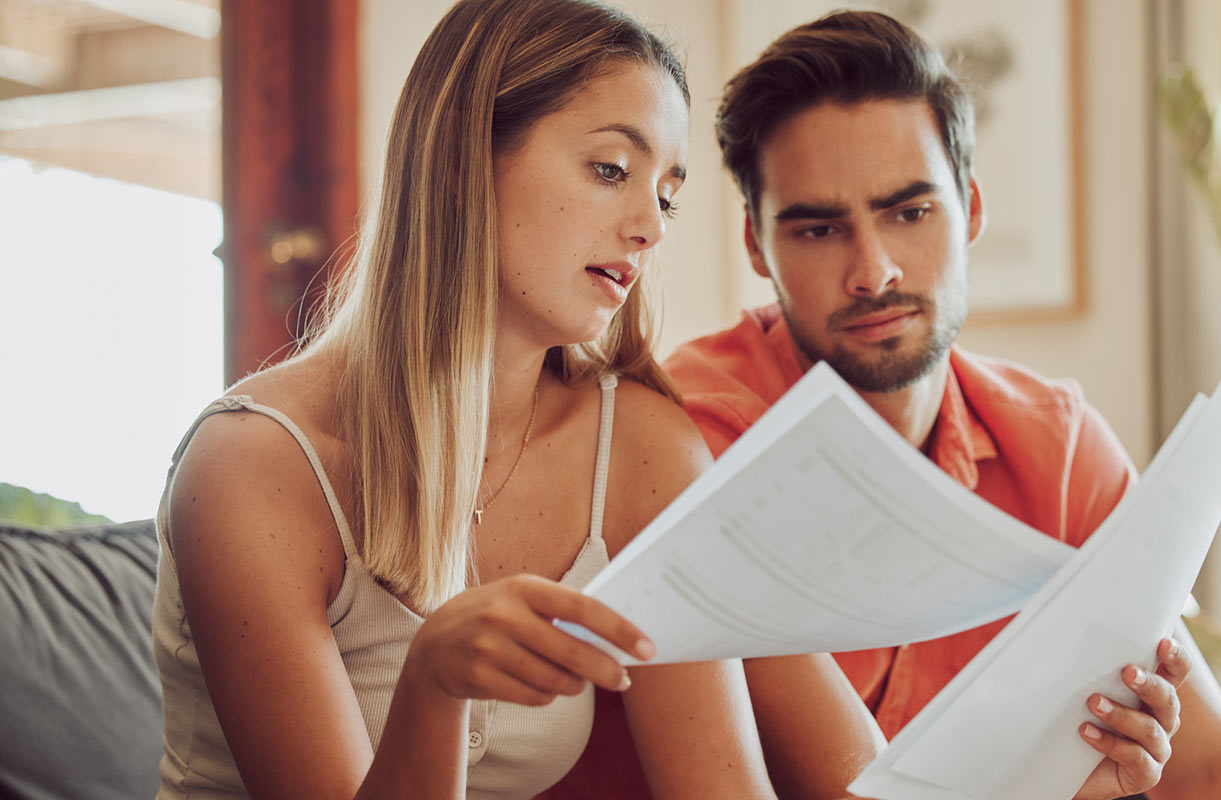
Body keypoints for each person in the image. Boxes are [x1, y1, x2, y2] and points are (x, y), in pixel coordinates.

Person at [548, 10, 1221, 800]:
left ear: (972, 207)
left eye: (910, 212)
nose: (874, 271)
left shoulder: (1058, 453)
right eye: (820, 230)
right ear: (757, 245)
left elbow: (1220, 772)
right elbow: (855, 788)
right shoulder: (688, 436)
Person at [151, 1, 784, 797]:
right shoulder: (255, 467)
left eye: (666, 194)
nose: (650, 228)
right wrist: (434, 688)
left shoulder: (644, 452)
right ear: (461, 159)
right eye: (611, 170)